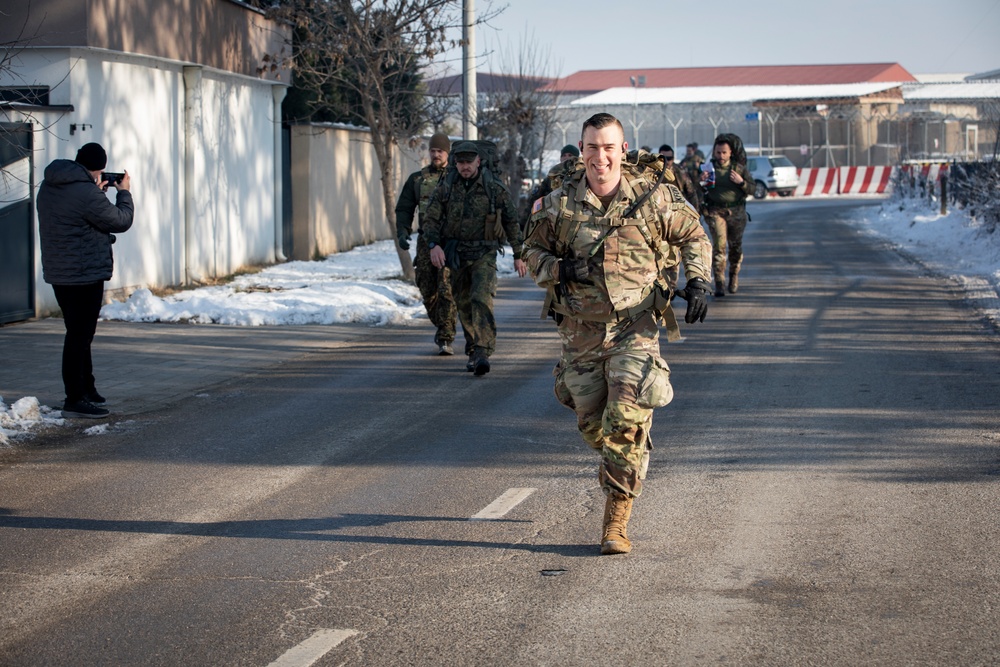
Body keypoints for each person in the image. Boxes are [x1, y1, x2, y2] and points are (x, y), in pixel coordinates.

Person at [523, 113, 712, 555]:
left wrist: (699, 279)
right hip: (581, 332)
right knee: (593, 424)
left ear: (622, 150)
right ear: (582, 150)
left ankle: (615, 523)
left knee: (624, 418)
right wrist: (560, 268)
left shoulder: (654, 198)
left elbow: (694, 236)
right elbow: (530, 254)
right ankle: (627, 448)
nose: (600, 157)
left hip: (636, 325)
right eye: (592, 147)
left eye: (609, 147)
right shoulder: (557, 204)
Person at [36, 142, 134, 419]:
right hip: (84, 273)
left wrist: (96, 193)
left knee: (78, 332)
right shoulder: (85, 193)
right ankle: (75, 398)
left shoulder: (50, 185)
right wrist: (123, 193)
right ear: (97, 168)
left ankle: (86, 388)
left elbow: (75, 221)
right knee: (80, 336)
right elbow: (120, 221)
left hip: (60, 272)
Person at [422, 141, 527, 375]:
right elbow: (431, 218)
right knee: (463, 303)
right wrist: (433, 245)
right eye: (460, 163)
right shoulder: (447, 186)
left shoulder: (493, 187)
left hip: (484, 253)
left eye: (469, 162)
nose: (465, 167)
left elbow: (511, 221)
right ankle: (472, 349)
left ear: (478, 162)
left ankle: (482, 351)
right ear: (455, 163)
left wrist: (519, 254)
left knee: (481, 298)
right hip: (456, 253)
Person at [395, 132, 458, 355]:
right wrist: (402, 232)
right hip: (425, 241)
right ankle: (442, 323)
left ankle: (446, 335)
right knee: (426, 287)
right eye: (432, 150)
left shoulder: (457, 177)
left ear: (448, 153)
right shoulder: (417, 180)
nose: (435, 154)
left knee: (446, 287)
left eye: (440, 151)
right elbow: (404, 208)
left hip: (450, 242)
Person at [701, 134, 755, 297]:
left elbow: (752, 189)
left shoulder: (738, 169)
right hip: (716, 212)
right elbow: (700, 190)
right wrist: (701, 181)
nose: (721, 156)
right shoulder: (709, 168)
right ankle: (719, 282)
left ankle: (733, 275)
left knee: (735, 247)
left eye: (724, 152)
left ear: (731, 152)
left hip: (736, 212)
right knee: (719, 246)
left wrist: (741, 182)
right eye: (718, 152)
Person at [519, 144, 582, 228]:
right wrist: (523, 224)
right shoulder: (551, 178)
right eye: (564, 155)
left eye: (570, 155)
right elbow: (535, 200)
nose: (566, 157)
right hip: (553, 223)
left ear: (576, 158)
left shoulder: (582, 176)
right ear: (560, 158)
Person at [658, 144, 700, 209]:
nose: (667, 161)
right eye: (664, 158)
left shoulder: (680, 171)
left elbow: (691, 193)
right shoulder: (653, 173)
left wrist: (695, 212)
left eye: (669, 158)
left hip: (678, 208)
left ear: (673, 158)